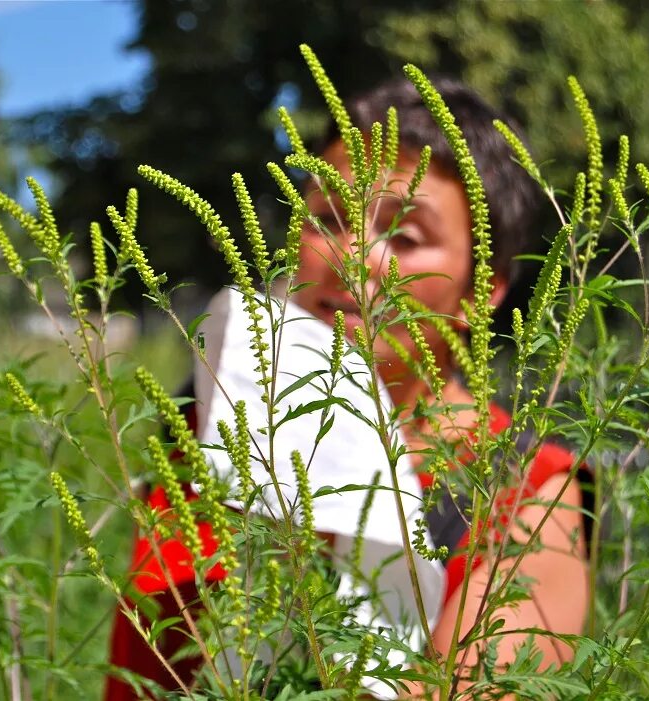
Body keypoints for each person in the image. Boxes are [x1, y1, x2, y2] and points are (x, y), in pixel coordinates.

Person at [106, 76, 589, 699]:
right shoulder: (209, 431)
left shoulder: (525, 494)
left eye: (405, 234)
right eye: (326, 217)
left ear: (480, 293)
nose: (350, 254)